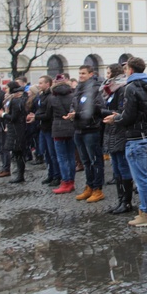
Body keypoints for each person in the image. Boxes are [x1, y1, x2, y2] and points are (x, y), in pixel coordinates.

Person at [104, 57, 147, 227]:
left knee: (141, 178)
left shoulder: (131, 87)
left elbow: (128, 115)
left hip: (136, 136)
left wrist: (116, 119)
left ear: (130, 69)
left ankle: (146, 212)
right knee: (146, 176)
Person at [66, 65, 106, 202]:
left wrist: (77, 114)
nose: (81, 75)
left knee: (95, 160)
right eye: (79, 73)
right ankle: (89, 186)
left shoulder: (96, 89)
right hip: (78, 128)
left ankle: (98, 188)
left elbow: (98, 108)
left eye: (83, 73)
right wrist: (72, 113)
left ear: (91, 74)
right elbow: (73, 103)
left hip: (91, 129)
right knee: (86, 161)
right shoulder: (78, 88)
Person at [100, 64, 132, 214]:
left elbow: (121, 111)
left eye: (108, 72)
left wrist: (102, 112)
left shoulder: (121, 88)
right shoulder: (109, 89)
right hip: (111, 130)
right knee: (116, 167)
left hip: (119, 130)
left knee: (123, 166)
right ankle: (121, 200)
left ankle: (126, 202)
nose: (106, 75)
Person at [48, 74, 77, 194]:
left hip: (58, 129)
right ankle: (71, 182)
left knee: (62, 157)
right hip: (71, 128)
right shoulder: (73, 96)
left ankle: (65, 181)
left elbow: (49, 114)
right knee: (71, 156)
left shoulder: (52, 98)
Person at [0, 81, 28, 183]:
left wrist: (3, 115)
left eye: (7, 88)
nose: (5, 90)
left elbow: (14, 117)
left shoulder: (15, 101)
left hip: (17, 130)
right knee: (16, 153)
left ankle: (20, 175)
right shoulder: (12, 100)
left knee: (18, 153)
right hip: (14, 129)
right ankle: (19, 174)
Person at [31, 75, 61, 187]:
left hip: (49, 128)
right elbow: (40, 110)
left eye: (41, 83)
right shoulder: (41, 95)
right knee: (46, 153)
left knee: (52, 153)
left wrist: (36, 117)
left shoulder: (50, 96)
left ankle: (57, 176)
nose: (39, 85)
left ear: (47, 84)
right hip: (42, 128)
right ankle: (51, 174)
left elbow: (48, 114)